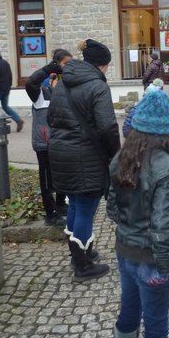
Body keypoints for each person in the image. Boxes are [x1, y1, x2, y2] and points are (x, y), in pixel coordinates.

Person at [107, 88, 169, 338]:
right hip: (150, 258)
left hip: (124, 250)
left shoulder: (121, 157)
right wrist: (165, 267)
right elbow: (161, 226)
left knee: (129, 311)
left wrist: (131, 226)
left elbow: (112, 208)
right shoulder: (167, 165)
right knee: (155, 322)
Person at [47, 39, 121, 282]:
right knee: (86, 208)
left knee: (75, 204)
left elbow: (51, 117)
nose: (107, 70)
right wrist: (116, 155)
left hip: (60, 152)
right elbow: (108, 126)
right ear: (101, 65)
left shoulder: (62, 82)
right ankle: (82, 266)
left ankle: (80, 252)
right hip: (85, 155)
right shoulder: (97, 86)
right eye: (107, 66)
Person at [25, 48, 73, 228]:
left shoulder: (64, 93)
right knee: (46, 180)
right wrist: (47, 69)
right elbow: (30, 83)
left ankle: (61, 206)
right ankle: (50, 213)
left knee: (61, 175)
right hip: (44, 144)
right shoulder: (40, 94)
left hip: (61, 142)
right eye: (64, 65)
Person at [0, 48, 24, 132]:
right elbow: (10, 75)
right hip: (6, 89)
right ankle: (18, 120)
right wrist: (9, 86)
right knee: (5, 106)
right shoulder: (5, 63)